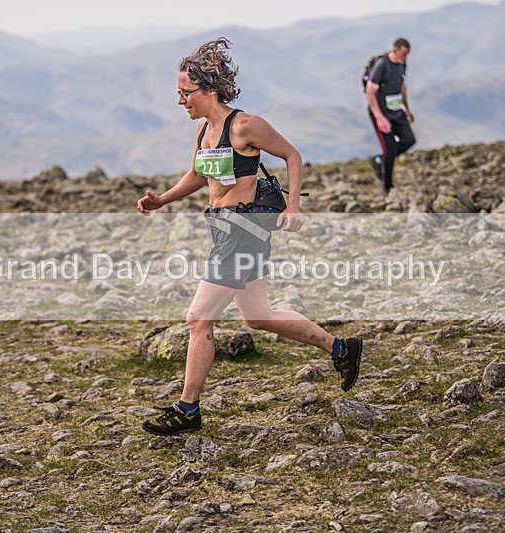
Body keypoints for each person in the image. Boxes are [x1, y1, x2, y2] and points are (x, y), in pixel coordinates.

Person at [136, 38, 363, 436]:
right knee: (259, 317)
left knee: (197, 320)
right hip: (224, 229)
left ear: (209, 90)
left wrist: (294, 206)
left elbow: (291, 155)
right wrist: (163, 200)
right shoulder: (204, 130)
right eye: (179, 93)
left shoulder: (244, 126)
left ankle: (187, 408)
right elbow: (198, 174)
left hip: (243, 230)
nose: (180, 101)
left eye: (186, 93)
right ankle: (340, 347)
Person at [366, 37, 416, 195]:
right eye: (403, 54)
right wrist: (379, 118)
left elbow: (401, 86)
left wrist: (407, 109)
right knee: (390, 149)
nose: (405, 58)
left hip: (397, 111)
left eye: (407, 55)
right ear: (394, 50)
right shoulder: (382, 65)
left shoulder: (402, 64)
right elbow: (370, 91)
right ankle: (387, 188)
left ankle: (380, 159)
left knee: (409, 140)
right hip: (381, 113)